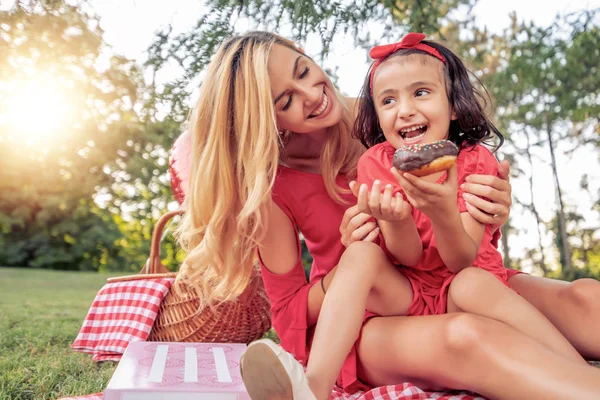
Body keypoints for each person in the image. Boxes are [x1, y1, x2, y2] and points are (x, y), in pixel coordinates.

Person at [176, 31, 600, 400]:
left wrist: (493, 206)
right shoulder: (273, 188)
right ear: (268, 117)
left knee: (583, 298)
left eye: (304, 71)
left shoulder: (393, 113)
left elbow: (466, 250)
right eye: (286, 100)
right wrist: (350, 259)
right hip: (373, 316)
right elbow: (287, 315)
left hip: (456, 279)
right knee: (468, 337)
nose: (312, 95)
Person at [350, 32, 584, 363]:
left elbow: (461, 261)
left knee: (469, 283)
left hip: (474, 292)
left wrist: (442, 210)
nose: (404, 110)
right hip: (413, 299)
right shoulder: (375, 163)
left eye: (420, 92)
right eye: (388, 101)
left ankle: (575, 369)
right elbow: (408, 258)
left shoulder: (475, 161)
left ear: (454, 106)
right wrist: (396, 219)